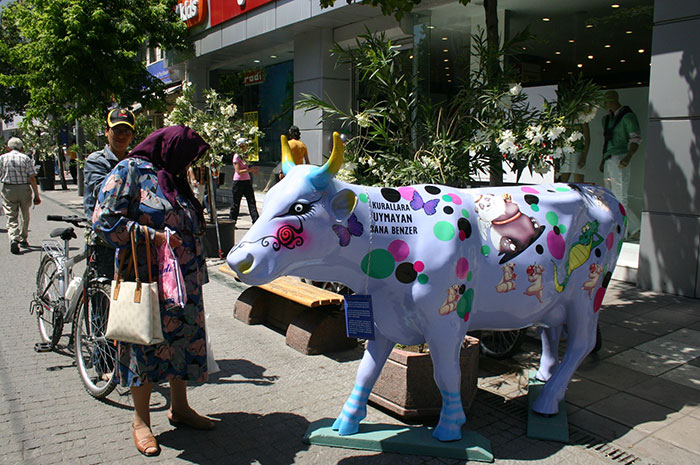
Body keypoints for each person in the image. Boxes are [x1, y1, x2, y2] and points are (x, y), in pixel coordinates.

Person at [92, 126, 214, 457]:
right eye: (187, 155)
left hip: (182, 282)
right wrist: (155, 236)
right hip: (146, 278)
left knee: (181, 343)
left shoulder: (172, 175)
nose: (189, 162)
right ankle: (141, 421)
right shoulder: (130, 170)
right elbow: (104, 221)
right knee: (144, 344)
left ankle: (180, 408)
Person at [83, 108, 135, 277]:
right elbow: (103, 193)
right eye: (116, 130)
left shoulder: (135, 161)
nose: (121, 136)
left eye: (126, 131)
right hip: (103, 238)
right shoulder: (96, 161)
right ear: (106, 132)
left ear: (132, 136)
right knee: (101, 291)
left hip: (128, 236)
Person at [598, 90, 641, 239]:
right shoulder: (607, 119)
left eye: (606, 101)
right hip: (610, 157)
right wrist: (603, 159)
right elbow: (607, 141)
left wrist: (628, 156)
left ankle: (625, 230)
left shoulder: (627, 117)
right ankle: (634, 228)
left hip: (620, 156)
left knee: (620, 196)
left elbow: (635, 139)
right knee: (612, 197)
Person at [0, 137, 41, 254]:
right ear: (22, 148)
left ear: (8, 147)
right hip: (24, 188)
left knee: (11, 215)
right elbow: (32, 178)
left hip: (8, 188)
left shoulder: (2, 158)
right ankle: (23, 238)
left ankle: (14, 237)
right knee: (25, 214)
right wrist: (37, 195)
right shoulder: (25, 158)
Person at [228, 137, 259, 226]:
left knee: (251, 201)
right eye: (245, 145)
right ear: (241, 146)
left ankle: (256, 221)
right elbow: (238, 171)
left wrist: (251, 170)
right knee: (236, 203)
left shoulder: (245, 155)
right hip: (238, 182)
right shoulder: (237, 156)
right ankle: (232, 222)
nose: (247, 146)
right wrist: (250, 170)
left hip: (246, 180)